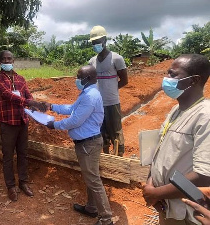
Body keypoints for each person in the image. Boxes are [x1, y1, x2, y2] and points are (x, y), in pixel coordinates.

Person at [142, 54, 210, 225]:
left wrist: (157, 194)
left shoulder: (205, 116)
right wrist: (151, 184)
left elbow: (203, 175)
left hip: (186, 211)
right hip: (167, 205)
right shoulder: (175, 110)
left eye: (173, 75)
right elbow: (161, 151)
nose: (167, 79)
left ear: (194, 80)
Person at [46, 65, 113, 225]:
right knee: (91, 178)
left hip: (88, 144)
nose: (76, 79)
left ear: (88, 78)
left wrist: (54, 125)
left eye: (78, 76)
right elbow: (72, 109)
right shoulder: (87, 93)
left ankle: (106, 219)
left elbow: (75, 120)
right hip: (87, 143)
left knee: (93, 180)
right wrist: (51, 107)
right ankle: (91, 208)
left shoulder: (91, 96)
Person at [0, 50, 46, 202]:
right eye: (4, 59)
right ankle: (10, 186)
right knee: (8, 156)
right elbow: (8, 95)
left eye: (10, 58)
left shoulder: (20, 78)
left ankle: (23, 182)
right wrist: (29, 102)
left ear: (13, 60)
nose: (7, 61)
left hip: (22, 121)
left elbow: (28, 95)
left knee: (23, 153)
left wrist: (34, 105)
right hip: (8, 123)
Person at [88, 25, 128, 156]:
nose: (95, 45)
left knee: (115, 131)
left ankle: (119, 156)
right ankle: (105, 156)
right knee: (101, 131)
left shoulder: (117, 58)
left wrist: (111, 90)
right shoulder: (92, 61)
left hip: (112, 102)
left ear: (105, 40)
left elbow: (124, 80)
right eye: (93, 43)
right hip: (97, 104)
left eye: (97, 42)